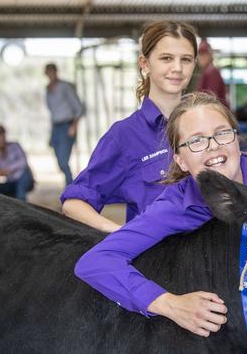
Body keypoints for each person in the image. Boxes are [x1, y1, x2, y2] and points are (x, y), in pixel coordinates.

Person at [74, 92, 247, 336]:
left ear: (237, 138)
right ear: (180, 161)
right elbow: (96, 261)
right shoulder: (174, 206)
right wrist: (169, 304)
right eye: (196, 141)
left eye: (222, 133)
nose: (213, 145)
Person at [60, 21, 198, 232]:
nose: (177, 68)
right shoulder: (124, 136)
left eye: (186, 59)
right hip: (158, 260)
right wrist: (123, 235)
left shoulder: (207, 124)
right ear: (144, 64)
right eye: (166, 58)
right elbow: (74, 204)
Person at [44, 63, 83, 186]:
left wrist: (74, 125)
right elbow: (52, 113)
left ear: (56, 72)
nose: (50, 75)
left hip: (67, 125)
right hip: (56, 127)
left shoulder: (64, 87)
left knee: (63, 161)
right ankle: (70, 185)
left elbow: (78, 107)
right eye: (48, 72)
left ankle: (70, 187)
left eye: (52, 72)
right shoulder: (48, 90)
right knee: (59, 162)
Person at [0, 125, 34, 201]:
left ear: (5, 134)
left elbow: (23, 162)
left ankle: (22, 203)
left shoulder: (15, 146)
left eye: (2, 134)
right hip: (11, 181)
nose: (0, 137)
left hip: (22, 177)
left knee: (21, 191)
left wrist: (9, 169)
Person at [196, 39, 229, 108]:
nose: (202, 57)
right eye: (200, 54)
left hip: (218, 113)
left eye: (205, 54)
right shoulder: (206, 71)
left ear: (210, 55)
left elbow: (211, 100)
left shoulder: (212, 72)